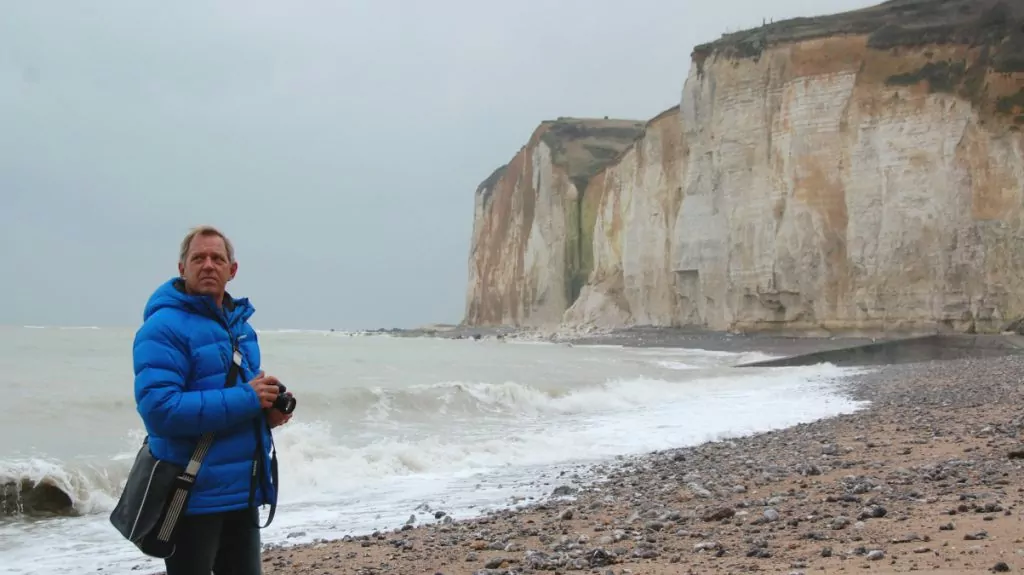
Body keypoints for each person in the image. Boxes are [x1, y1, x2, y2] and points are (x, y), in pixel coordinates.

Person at [132, 225, 293, 574]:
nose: (208, 265)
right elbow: (160, 411)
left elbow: (241, 401)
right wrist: (248, 399)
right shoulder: (162, 329)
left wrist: (267, 415)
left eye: (217, 258)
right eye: (198, 258)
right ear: (181, 268)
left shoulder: (242, 329)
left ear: (232, 270)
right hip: (191, 496)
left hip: (243, 491)